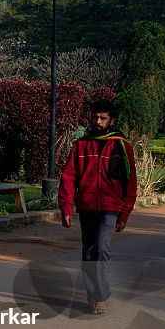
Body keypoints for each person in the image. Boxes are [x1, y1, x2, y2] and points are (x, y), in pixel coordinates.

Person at [58, 99, 137, 314]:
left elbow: (130, 183)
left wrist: (125, 213)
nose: (98, 121)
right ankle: (91, 294)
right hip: (87, 206)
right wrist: (66, 207)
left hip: (111, 207)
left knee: (102, 248)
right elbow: (68, 177)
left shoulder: (122, 146)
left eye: (103, 118)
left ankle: (101, 295)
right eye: (95, 117)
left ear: (112, 120)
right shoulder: (81, 145)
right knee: (89, 251)